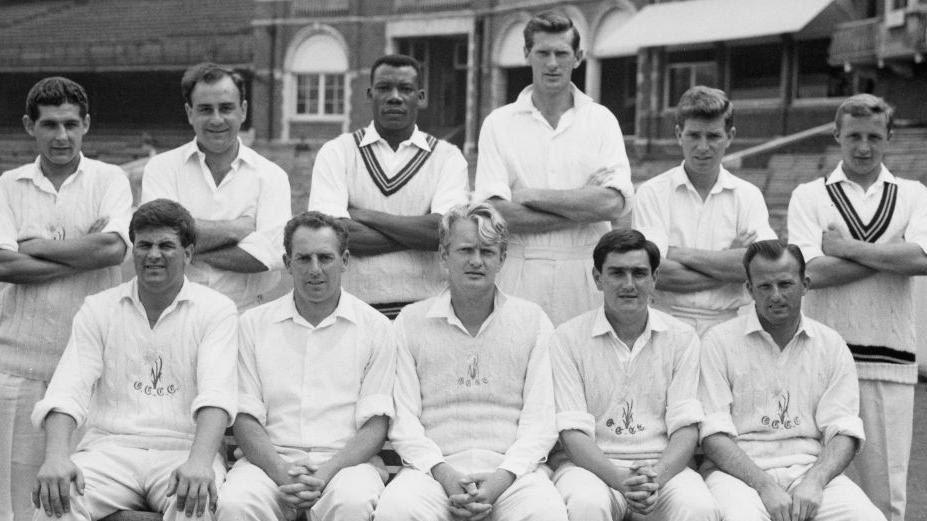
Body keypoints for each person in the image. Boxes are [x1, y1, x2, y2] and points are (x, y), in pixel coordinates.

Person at [30, 199, 238, 521]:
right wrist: (56, 457)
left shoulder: (216, 310)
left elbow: (217, 395)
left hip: (183, 448)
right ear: (133, 251)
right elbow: (66, 391)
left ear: (188, 253)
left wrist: (199, 463)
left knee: (194, 505)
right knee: (55, 501)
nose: (153, 255)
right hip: (109, 450)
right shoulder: (99, 308)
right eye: (144, 245)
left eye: (166, 245)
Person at [374, 202, 567, 521]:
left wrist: (502, 478)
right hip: (432, 473)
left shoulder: (533, 321)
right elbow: (403, 418)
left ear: (502, 258)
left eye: (487, 251)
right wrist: (444, 474)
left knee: (546, 513)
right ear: (444, 255)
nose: (476, 261)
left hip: (513, 473)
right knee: (396, 510)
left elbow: (542, 419)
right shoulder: (410, 321)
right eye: (465, 250)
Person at [787, 94, 927, 521]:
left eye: (873, 136)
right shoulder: (809, 194)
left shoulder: (913, 194)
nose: (863, 147)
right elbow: (813, 272)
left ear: (888, 137)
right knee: (816, 488)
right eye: (853, 136)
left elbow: (921, 260)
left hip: (890, 358)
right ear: (837, 136)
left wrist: (846, 248)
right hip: (822, 362)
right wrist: (889, 255)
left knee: (886, 493)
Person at [0, 76, 132, 521]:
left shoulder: (110, 179)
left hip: (91, 370)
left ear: (87, 125)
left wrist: (31, 245)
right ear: (28, 126)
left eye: (71, 124)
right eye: (50, 125)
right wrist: (85, 253)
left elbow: (113, 248)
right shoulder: (7, 185)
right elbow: (4, 266)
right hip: (19, 366)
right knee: (14, 500)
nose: (62, 136)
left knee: (77, 501)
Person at [217, 211, 395, 521]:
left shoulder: (376, 327)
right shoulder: (252, 325)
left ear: (345, 260)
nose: (315, 270)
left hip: (346, 466)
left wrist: (325, 473)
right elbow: (245, 417)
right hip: (269, 463)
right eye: (303, 259)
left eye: (325, 258)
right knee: (236, 503)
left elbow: (375, 425)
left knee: (353, 501)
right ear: (287, 263)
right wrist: (281, 471)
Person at [699, 239, 885, 521]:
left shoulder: (830, 344)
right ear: (750, 290)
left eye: (785, 284)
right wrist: (764, 486)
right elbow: (713, 434)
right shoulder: (719, 341)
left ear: (805, 284)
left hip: (809, 469)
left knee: (867, 518)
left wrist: (815, 481)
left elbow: (843, 430)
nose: (775, 295)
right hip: (737, 475)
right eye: (764, 286)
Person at [472, 11, 634, 325]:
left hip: (586, 275)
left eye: (561, 53)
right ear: (526, 55)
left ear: (578, 57)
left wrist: (530, 196)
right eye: (542, 53)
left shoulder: (601, 121)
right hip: (519, 277)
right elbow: (495, 215)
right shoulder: (498, 124)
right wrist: (583, 204)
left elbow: (613, 203)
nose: (551, 63)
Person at [550, 229, 718, 521]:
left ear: (654, 279)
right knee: (586, 504)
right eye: (617, 273)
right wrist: (620, 479)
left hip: (662, 467)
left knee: (698, 508)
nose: (629, 284)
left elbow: (686, 427)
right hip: (590, 468)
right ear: (597, 278)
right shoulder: (567, 338)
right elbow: (571, 431)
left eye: (639, 273)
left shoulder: (682, 337)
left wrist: (655, 477)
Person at [308, 54, 468, 318]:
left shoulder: (447, 157)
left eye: (405, 89)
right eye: (384, 88)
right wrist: (420, 232)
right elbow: (331, 238)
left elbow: (445, 234)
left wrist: (366, 215)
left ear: (421, 96)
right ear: (370, 94)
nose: (395, 97)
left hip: (427, 310)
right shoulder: (338, 152)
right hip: (353, 309)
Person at [142, 62, 291, 312]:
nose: (216, 119)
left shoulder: (271, 176)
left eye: (226, 108)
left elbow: (271, 255)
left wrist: (182, 248)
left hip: (244, 315)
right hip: (175, 312)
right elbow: (156, 238)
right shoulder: (161, 168)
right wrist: (236, 230)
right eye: (205, 109)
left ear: (243, 111)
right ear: (190, 113)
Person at [634, 86, 776, 335]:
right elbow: (655, 274)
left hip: (729, 325)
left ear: (730, 137)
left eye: (713, 136)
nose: (702, 147)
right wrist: (731, 265)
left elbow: (761, 269)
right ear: (679, 135)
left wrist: (677, 253)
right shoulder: (652, 192)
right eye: (694, 135)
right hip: (665, 322)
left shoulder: (748, 195)